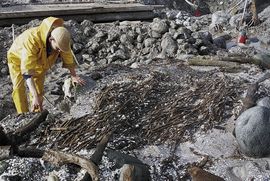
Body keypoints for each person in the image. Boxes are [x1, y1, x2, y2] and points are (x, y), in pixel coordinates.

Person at [7, 17, 85, 113]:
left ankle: (37, 113)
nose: (59, 51)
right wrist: (34, 96)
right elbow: (27, 73)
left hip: (40, 60)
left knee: (39, 90)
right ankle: (22, 114)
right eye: (58, 49)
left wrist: (73, 75)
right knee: (19, 88)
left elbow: (67, 55)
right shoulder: (32, 40)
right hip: (17, 58)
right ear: (51, 39)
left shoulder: (61, 38)